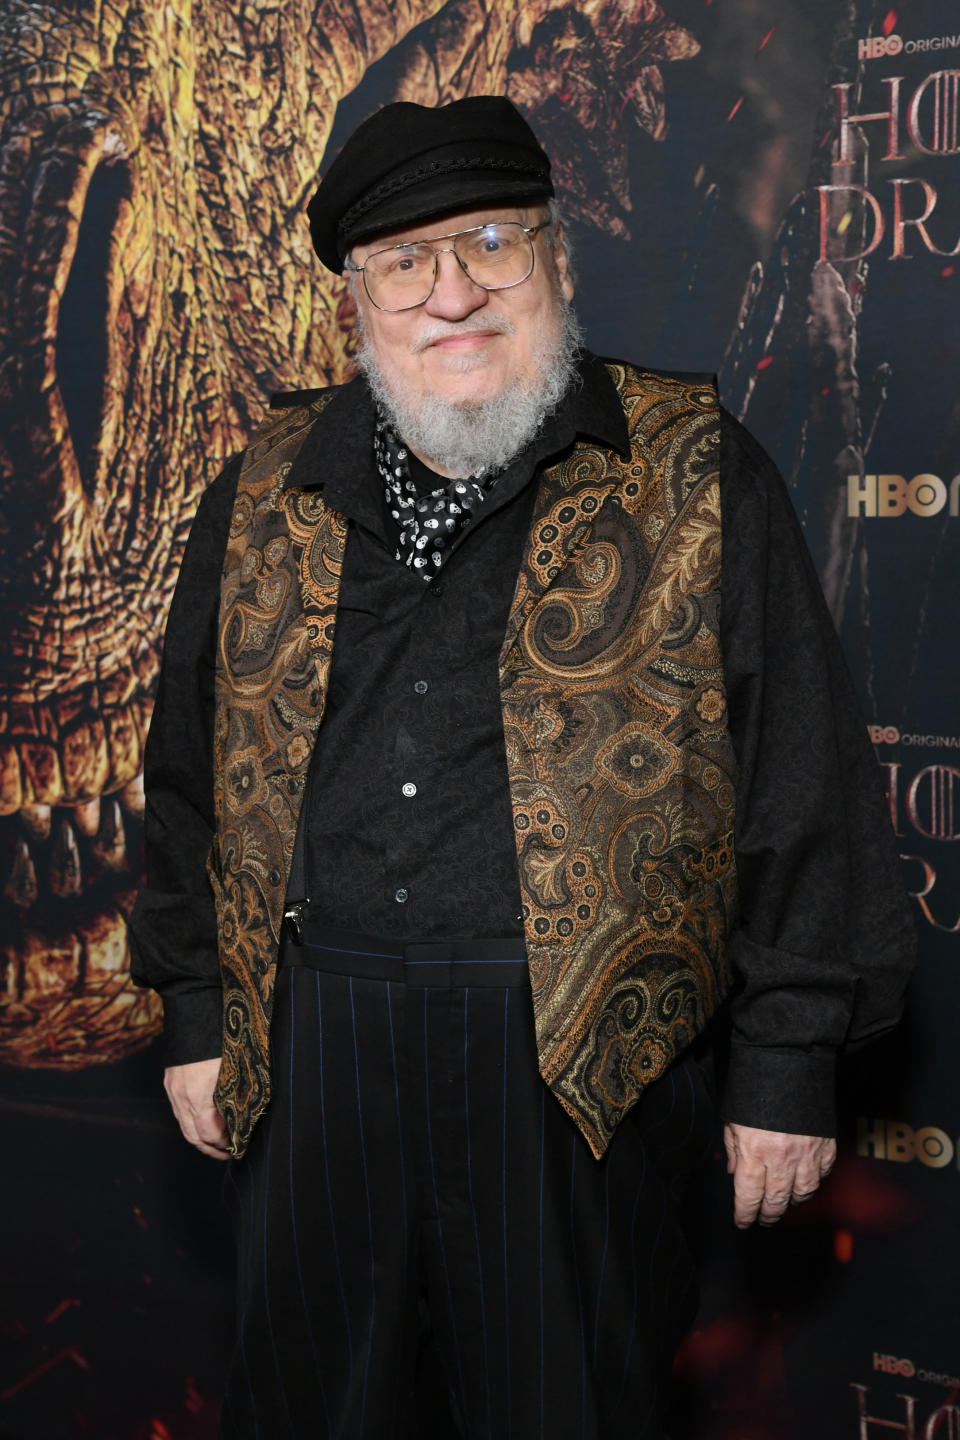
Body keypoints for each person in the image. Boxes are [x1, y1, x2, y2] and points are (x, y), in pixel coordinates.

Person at [128, 95, 915, 1439]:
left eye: (490, 241)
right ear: (354, 299)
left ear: (558, 260)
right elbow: (189, 766)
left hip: (578, 1065)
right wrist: (197, 1003)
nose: (452, 292)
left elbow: (803, 780)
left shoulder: (693, 470)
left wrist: (786, 1065)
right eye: (403, 261)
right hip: (316, 1048)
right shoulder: (261, 484)